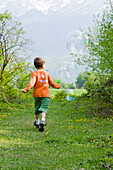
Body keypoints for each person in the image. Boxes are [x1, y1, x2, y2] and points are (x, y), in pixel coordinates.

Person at [21, 57, 60, 132]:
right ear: (43, 65)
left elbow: (32, 83)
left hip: (37, 95)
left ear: (35, 65)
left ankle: (37, 121)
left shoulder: (34, 73)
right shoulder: (46, 73)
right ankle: (43, 120)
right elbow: (51, 83)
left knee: (37, 108)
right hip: (45, 95)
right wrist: (57, 86)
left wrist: (26, 89)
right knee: (43, 108)